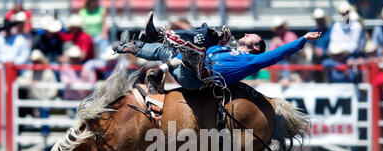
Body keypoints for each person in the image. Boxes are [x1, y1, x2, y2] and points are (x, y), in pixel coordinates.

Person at [113, 13, 321, 91]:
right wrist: (164, 68)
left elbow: (277, 54)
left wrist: (302, 40)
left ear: (257, 47)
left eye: (252, 37)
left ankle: (156, 34)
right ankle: (131, 46)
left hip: (199, 79)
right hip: (188, 69)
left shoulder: (251, 60)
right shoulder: (222, 49)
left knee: (199, 42)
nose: (248, 33)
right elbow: (179, 58)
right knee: (166, 51)